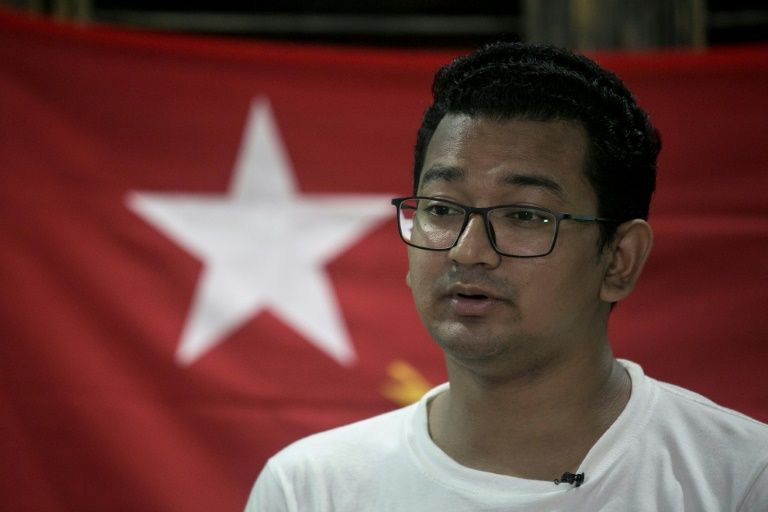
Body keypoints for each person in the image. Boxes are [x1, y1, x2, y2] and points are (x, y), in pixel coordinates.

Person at [245, 42, 768, 511]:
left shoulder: (740, 479)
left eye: (524, 215)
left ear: (619, 260)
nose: (468, 251)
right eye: (442, 208)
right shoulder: (311, 490)